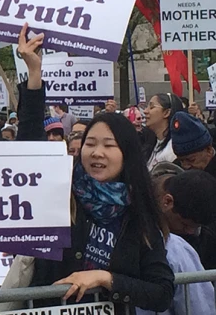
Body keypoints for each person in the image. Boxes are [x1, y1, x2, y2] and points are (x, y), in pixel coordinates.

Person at [30, 112, 174, 313]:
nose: (97, 152)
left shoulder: (139, 215)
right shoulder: (60, 197)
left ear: (127, 152)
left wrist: (106, 279)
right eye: (90, 144)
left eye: (108, 145)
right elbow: (29, 141)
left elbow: (162, 292)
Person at [136, 168, 216, 315]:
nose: (190, 232)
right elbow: (200, 307)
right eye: (184, 224)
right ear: (167, 201)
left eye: (196, 228)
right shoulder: (175, 249)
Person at [144, 93, 183, 170]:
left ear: (166, 113)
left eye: (151, 107)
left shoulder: (173, 149)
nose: (145, 111)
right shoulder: (152, 144)